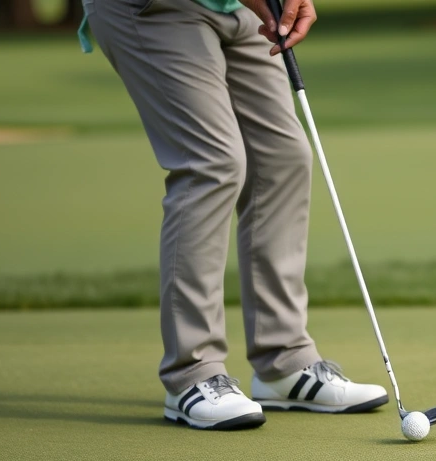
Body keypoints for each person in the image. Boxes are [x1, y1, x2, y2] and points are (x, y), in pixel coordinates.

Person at [79, 0, 388, 430]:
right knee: (212, 162)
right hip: (150, 6)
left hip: (233, 7)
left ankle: (284, 363)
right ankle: (192, 373)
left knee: (283, 156)